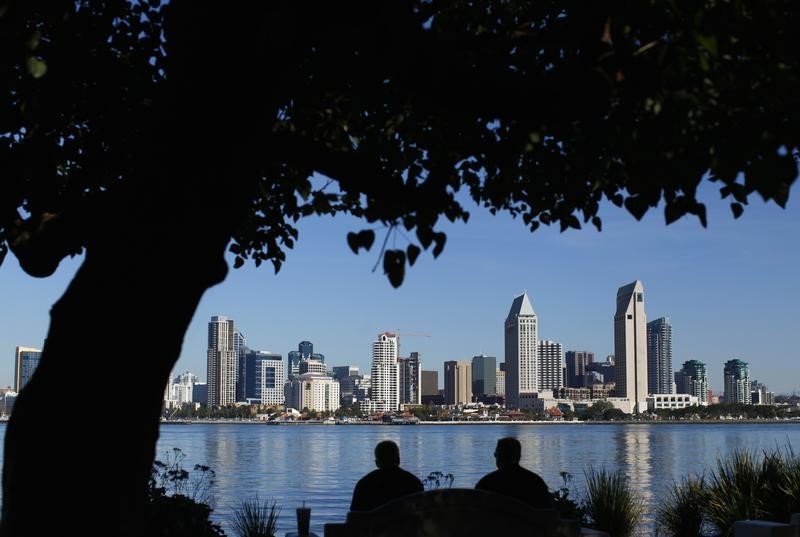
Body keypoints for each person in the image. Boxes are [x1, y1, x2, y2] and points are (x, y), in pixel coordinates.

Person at [475, 437, 554, 508]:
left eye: (495, 454)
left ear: (499, 457)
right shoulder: (536, 482)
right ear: (519, 456)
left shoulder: (486, 483)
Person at [350, 440, 424, 511]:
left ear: (377, 463)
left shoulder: (363, 484)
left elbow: (354, 515)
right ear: (398, 460)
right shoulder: (414, 482)